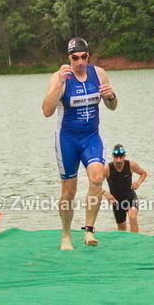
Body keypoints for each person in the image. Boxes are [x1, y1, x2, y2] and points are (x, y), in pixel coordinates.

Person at [41, 37, 117, 249]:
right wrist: (60, 84)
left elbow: (112, 106)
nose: (80, 62)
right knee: (69, 190)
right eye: (75, 58)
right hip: (67, 138)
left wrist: (111, 96)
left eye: (84, 57)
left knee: (97, 177)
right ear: (69, 57)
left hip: (91, 136)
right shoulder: (59, 77)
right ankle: (66, 234)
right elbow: (46, 111)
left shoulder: (98, 73)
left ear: (88, 56)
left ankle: (89, 231)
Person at [104, 144, 147, 232]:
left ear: (124, 156)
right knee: (121, 228)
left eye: (121, 157)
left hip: (130, 198)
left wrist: (138, 183)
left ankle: (134, 239)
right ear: (112, 157)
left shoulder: (130, 164)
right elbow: (94, 184)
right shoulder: (107, 168)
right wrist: (105, 193)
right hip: (116, 201)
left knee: (132, 217)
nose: (118, 160)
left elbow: (143, 173)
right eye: (116, 157)